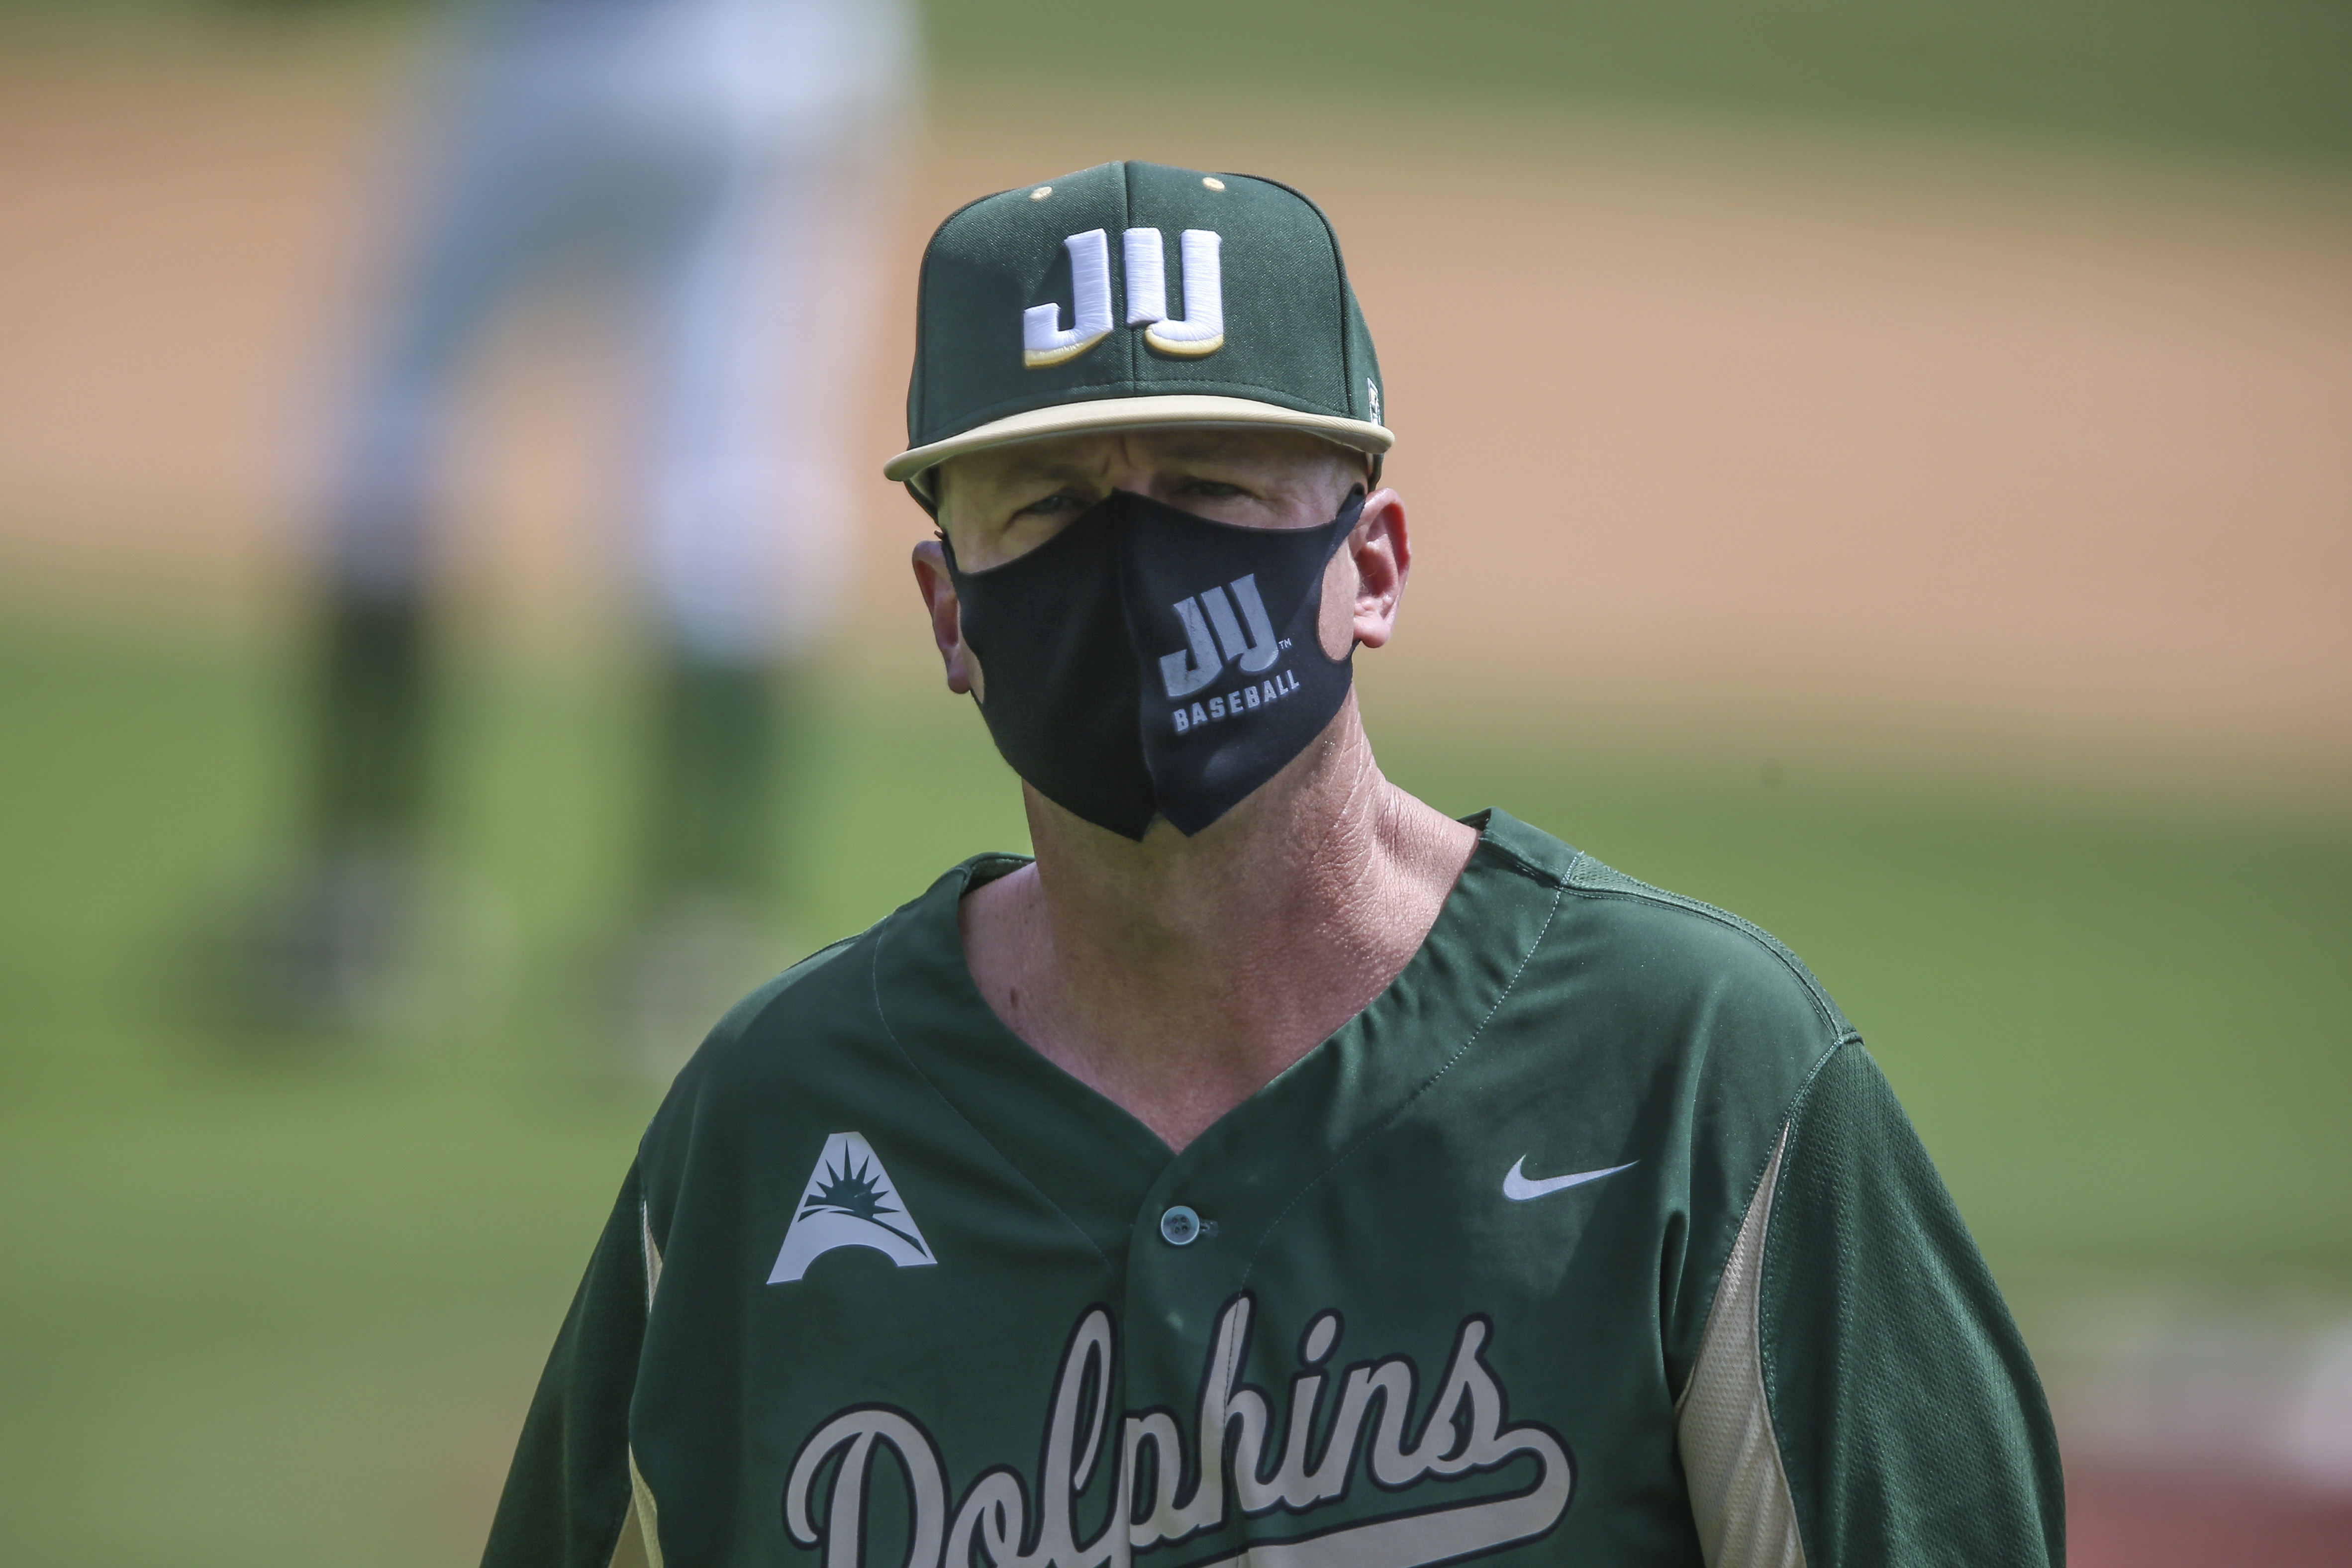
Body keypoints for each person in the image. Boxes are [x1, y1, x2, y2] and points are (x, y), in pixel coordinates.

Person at [481, 161, 2064, 1567]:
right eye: (1047, 510)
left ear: (1370, 568)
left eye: (1209, 492)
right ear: (949, 613)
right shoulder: (779, 1117)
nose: (1136, 568)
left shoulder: (1693, 1073)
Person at [224, 0, 916, 1054]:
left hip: (570, 49)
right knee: (733, 473)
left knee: (388, 417)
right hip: (801, 60)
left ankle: (362, 905)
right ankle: (699, 934)